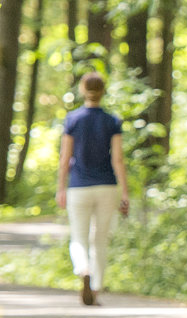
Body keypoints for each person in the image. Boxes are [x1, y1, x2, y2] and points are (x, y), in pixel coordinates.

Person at [56, 71, 129, 306]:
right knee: (100, 239)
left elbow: (65, 158)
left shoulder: (73, 119)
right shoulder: (112, 121)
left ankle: (83, 269)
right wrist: (124, 193)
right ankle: (95, 288)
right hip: (107, 186)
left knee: (78, 238)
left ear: (82, 90)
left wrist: (61, 188)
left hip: (78, 186)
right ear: (103, 91)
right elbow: (118, 159)